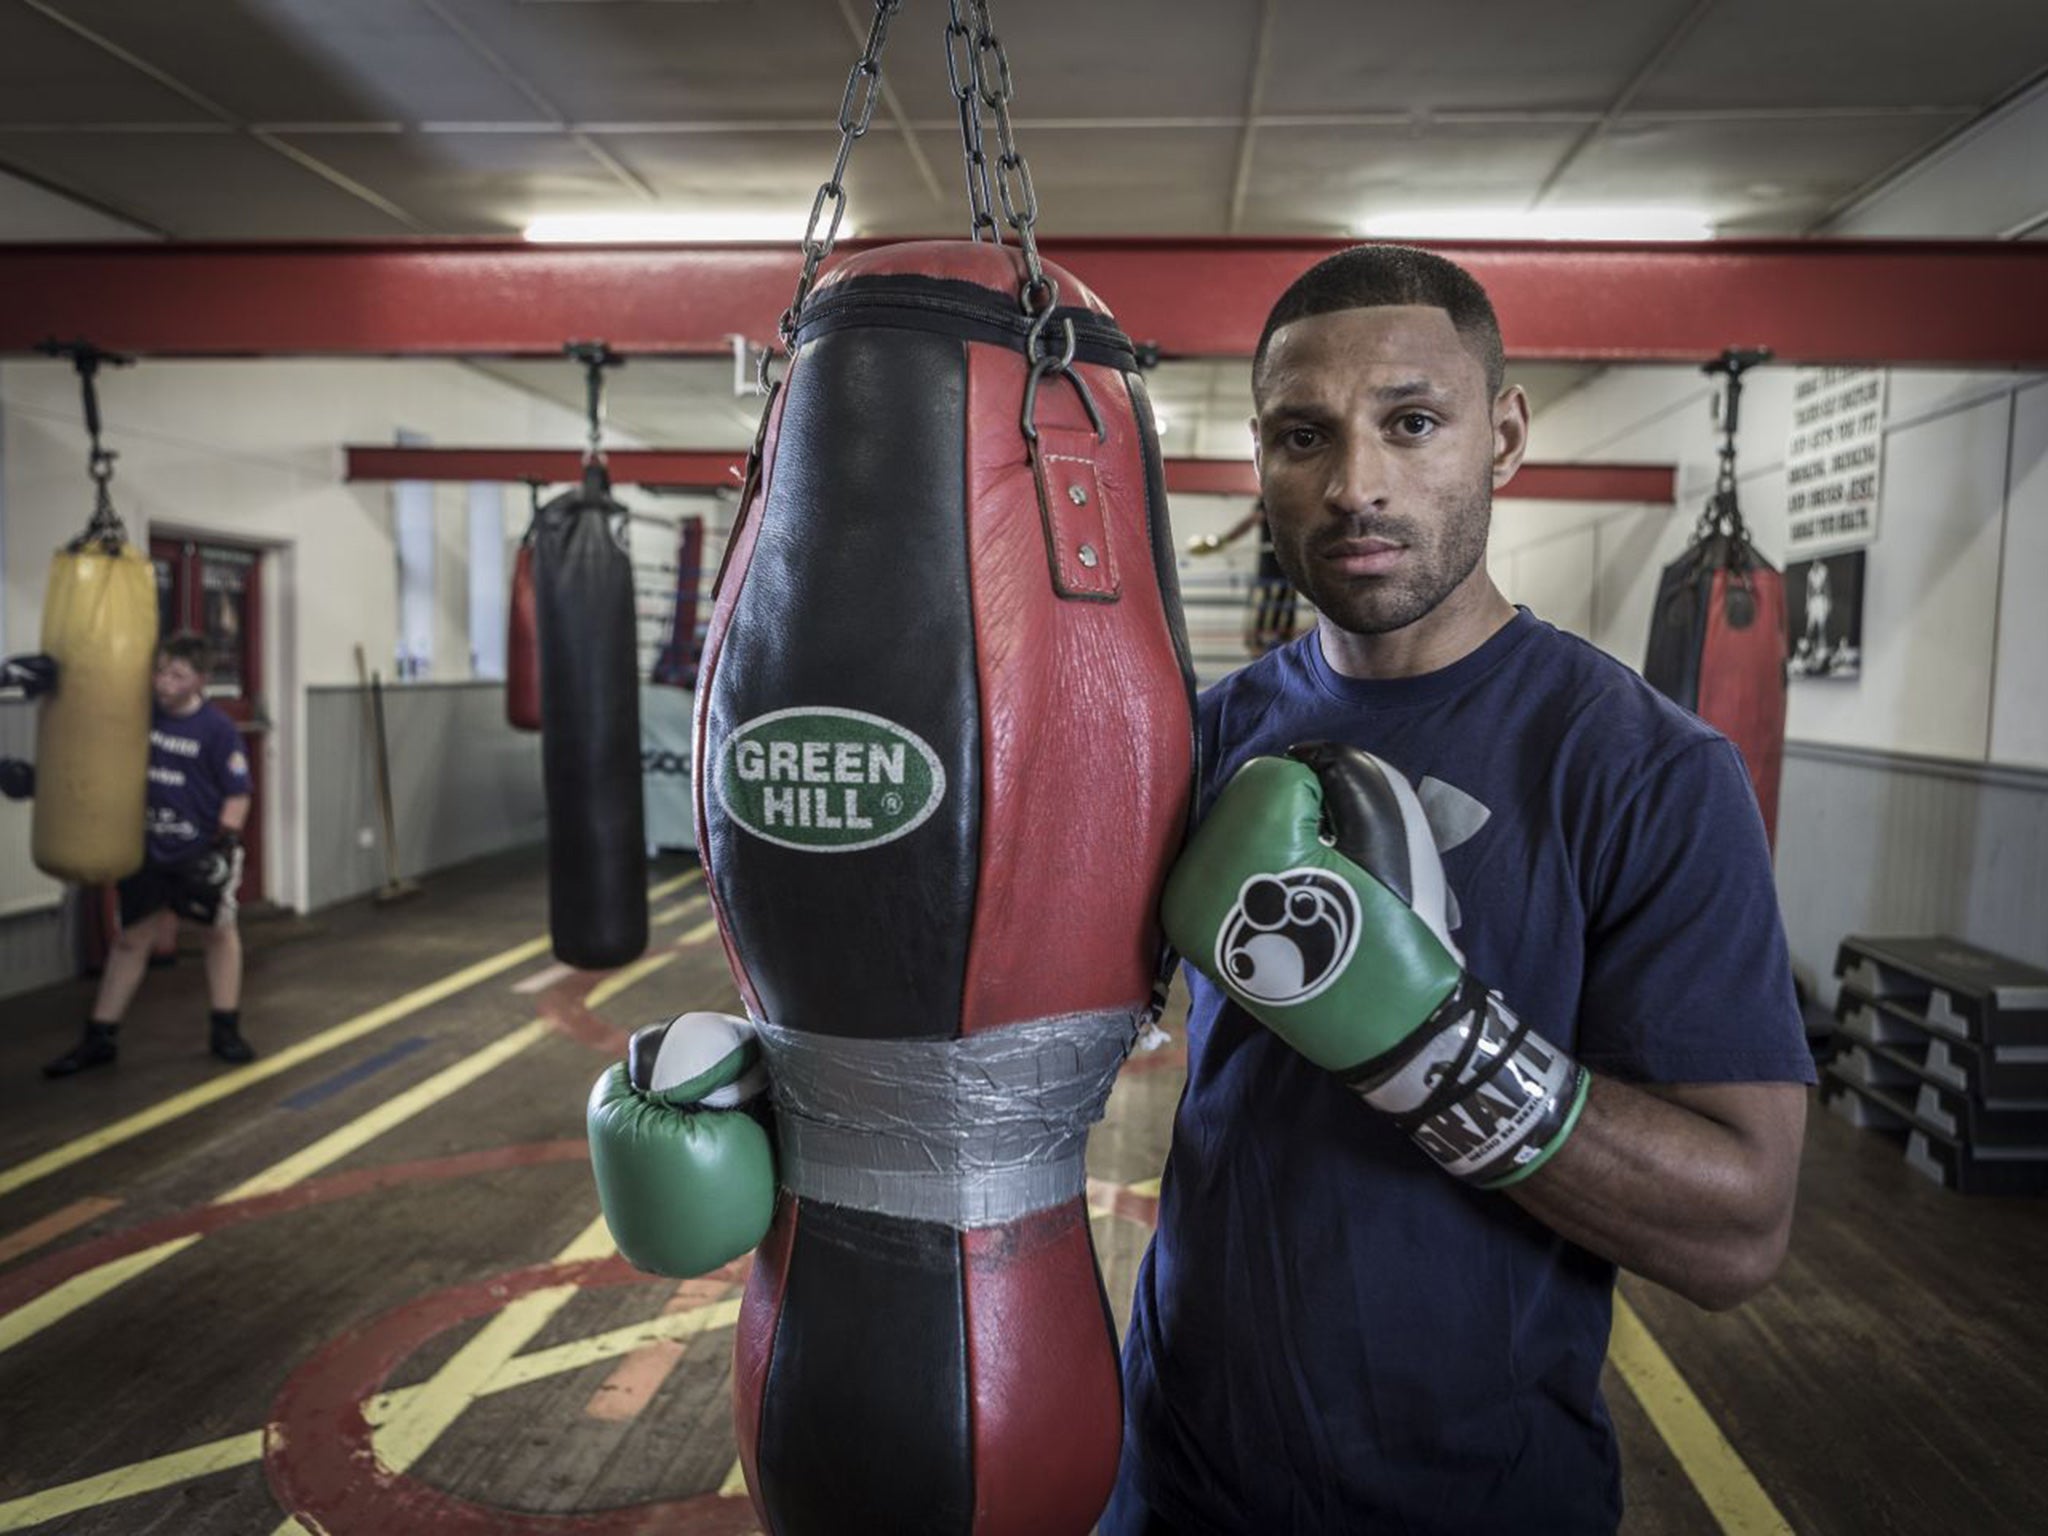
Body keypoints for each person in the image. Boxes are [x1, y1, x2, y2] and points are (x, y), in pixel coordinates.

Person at [1104, 246, 1813, 1535]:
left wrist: (1430, 1046)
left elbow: (1739, 1230)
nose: (1352, 485)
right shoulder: (1198, 736)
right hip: (1174, 1474)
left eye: (1410, 424)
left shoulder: (1646, 771)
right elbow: (1038, 1021)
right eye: (1301, 436)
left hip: (1476, 1497)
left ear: (1504, 436)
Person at [44, 631, 256, 1076]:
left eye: (177, 675)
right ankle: (100, 1036)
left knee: (217, 933)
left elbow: (238, 792)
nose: (164, 682)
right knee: (131, 939)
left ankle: (225, 1027)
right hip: (147, 849)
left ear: (200, 680)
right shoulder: (139, 717)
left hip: (195, 849)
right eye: (160, 671)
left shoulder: (217, 731)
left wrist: (224, 841)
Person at [1187, 501, 1304, 655]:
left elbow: (1252, 520)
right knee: (1272, 631)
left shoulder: (1277, 494)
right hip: (1285, 575)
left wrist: (1222, 541)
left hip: (1278, 577)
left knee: (1267, 632)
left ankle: (1267, 658)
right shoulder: (1292, 497)